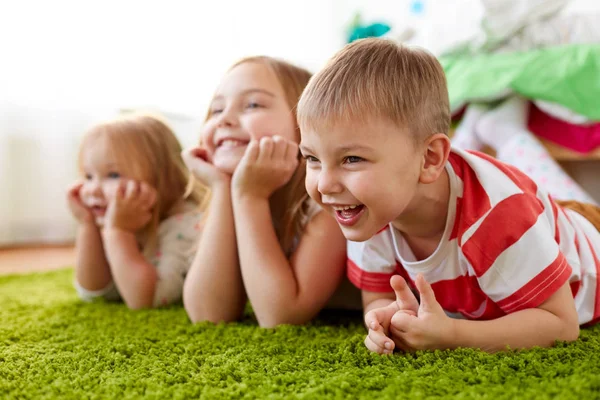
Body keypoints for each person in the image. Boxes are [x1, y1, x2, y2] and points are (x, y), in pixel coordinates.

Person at [296, 38, 600, 353]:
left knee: (549, 198)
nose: (324, 185)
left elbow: (561, 325)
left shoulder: (497, 219)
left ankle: (506, 132)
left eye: (352, 159)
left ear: (429, 159)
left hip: (587, 235)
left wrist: (451, 335)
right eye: (312, 159)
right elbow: (377, 297)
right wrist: (387, 319)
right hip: (532, 214)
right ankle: (498, 129)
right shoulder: (365, 210)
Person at [182, 56, 354, 327]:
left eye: (252, 105)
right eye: (216, 110)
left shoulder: (328, 200)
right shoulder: (231, 195)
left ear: (305, 125)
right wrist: (222, 187)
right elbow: (208, 314)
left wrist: (251, 197)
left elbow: (281, 316)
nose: (224, 119)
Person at [68, 114, 203, 309]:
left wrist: (119, 233)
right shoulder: (111, 216)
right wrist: (86, 224)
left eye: (113, 175)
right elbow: (93, 292)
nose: (93, 189)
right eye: (88, 176)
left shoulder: (186, 224)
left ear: (162, 177)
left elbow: (148, 299)